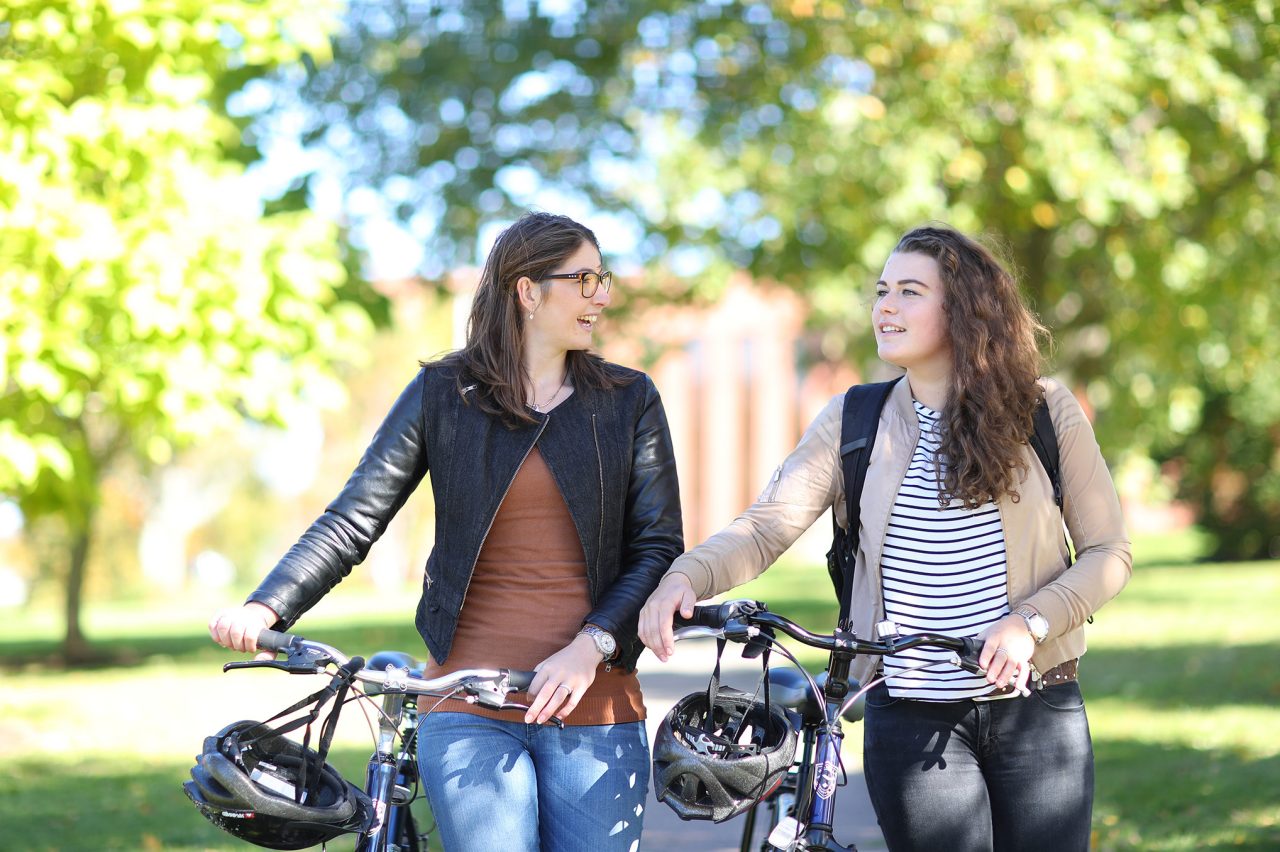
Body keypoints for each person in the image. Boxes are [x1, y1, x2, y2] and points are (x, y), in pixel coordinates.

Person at [638, 224, 1131, 851]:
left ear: (964, 310)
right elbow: (766, 526)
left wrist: (1030, 621)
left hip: (1037, 710)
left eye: (909, 291)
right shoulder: (856, 418)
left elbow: (1109, 553)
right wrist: (686, 575)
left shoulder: (1042, 412)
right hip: (911, 719)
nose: (885, 307)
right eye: (881, 291)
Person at [209, 212, 683, 852]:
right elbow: (355, 515)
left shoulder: (629, 400)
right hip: (464, 702)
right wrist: (268, 605)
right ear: (527, 290)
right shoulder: (442, 393)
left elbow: (657, 546)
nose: (602, 294)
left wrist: (590, 647)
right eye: (586, 278)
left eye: (603, 278)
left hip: (593, 702)